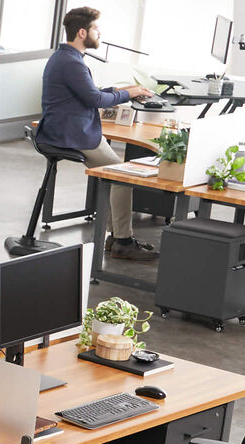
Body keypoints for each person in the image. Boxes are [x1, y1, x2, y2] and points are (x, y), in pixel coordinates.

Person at [40, 6, 158, 262]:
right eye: (96, 28)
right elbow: (95, 99)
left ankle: (116, 237)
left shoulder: (65, 58)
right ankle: (122, 241)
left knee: (118, 173)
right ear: (82, 32)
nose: (100, 33)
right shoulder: (72, 63)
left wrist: (120, 89)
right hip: (73, 135)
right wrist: (130, 93)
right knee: (123, 175)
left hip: (67, 129)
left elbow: (86, 92)